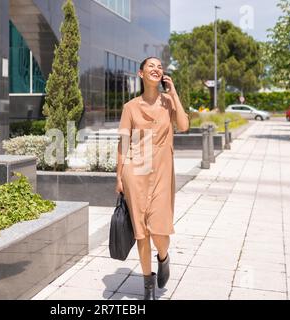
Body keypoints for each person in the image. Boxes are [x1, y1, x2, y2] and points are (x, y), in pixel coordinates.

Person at [115, 57, 189, 300]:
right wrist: (119, 177)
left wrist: (175, 93)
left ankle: (164, 258)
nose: (157, 69)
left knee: (159, 230)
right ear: (140, 73)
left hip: (162, 171)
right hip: (136, 170)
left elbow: (184, 126)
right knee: (141, 232)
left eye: (160, 67)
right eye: (151, 66)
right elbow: (123, 144)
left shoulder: (169, 102)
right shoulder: (130, 107)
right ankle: (148, 286)